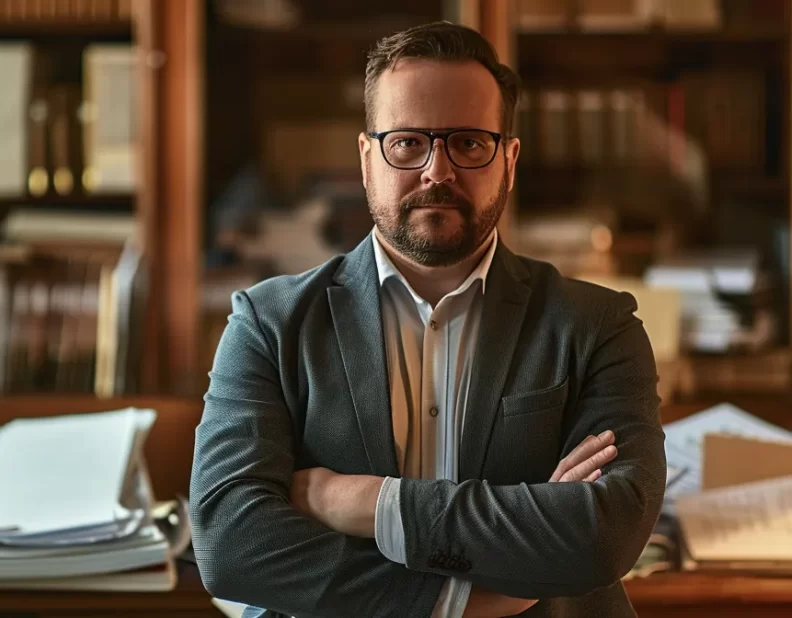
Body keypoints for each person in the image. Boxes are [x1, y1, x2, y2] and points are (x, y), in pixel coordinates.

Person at [190, 21, 666, 618]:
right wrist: (461, 598)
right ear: (367, 160)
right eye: (408, 142)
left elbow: (604, 535)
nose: (438, 171)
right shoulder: (268, 323)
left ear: (509, 161)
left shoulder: (599, 325)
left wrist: (359, 501)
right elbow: (231, 545)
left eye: (469, 143)